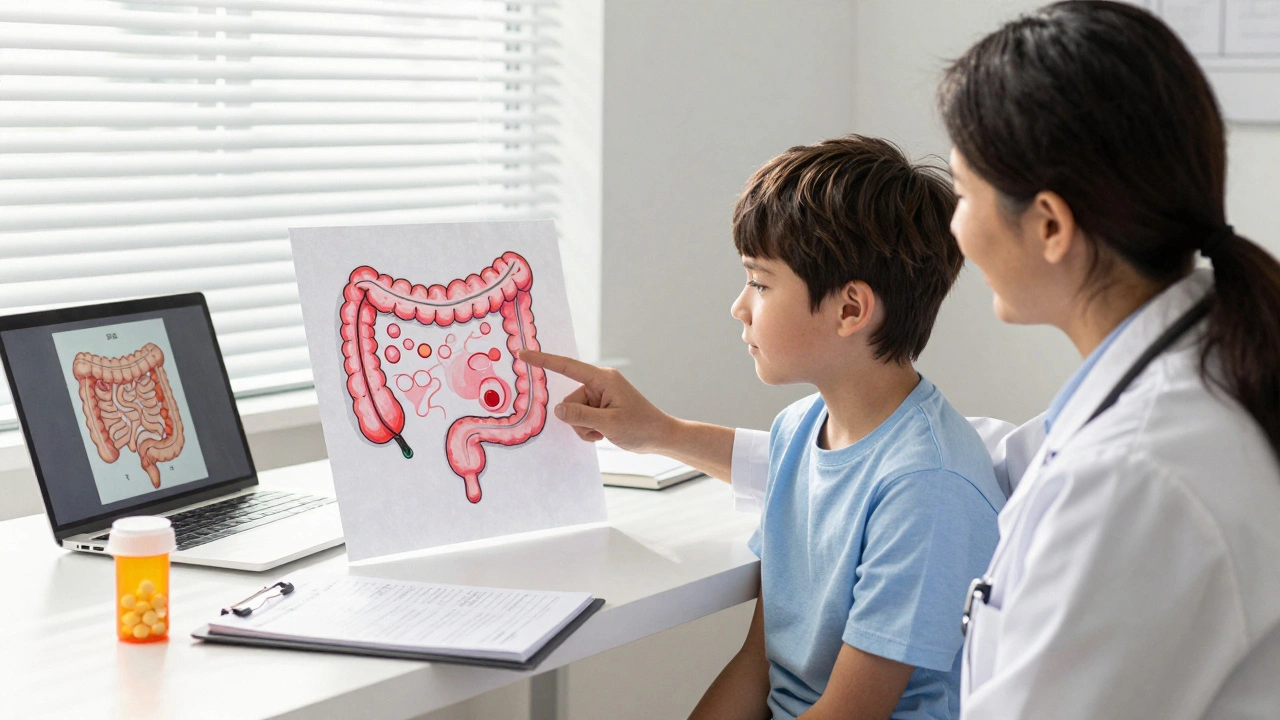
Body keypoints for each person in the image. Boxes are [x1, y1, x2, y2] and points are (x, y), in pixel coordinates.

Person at [529, 2, 1280, 717]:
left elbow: (923, 479)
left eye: (967, 192)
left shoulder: (1131, 479)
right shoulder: (1162, 392)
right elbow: (865, 466)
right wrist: (660, 431)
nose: (955, 226)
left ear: (1048, 225)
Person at [526, 135, 1005, 720]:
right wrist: (655, 431)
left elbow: (850, 712)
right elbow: (762, 659)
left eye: (759, 282)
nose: (739, 307)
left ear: (850, 310)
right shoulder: (801, 429)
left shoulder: (927, 487)